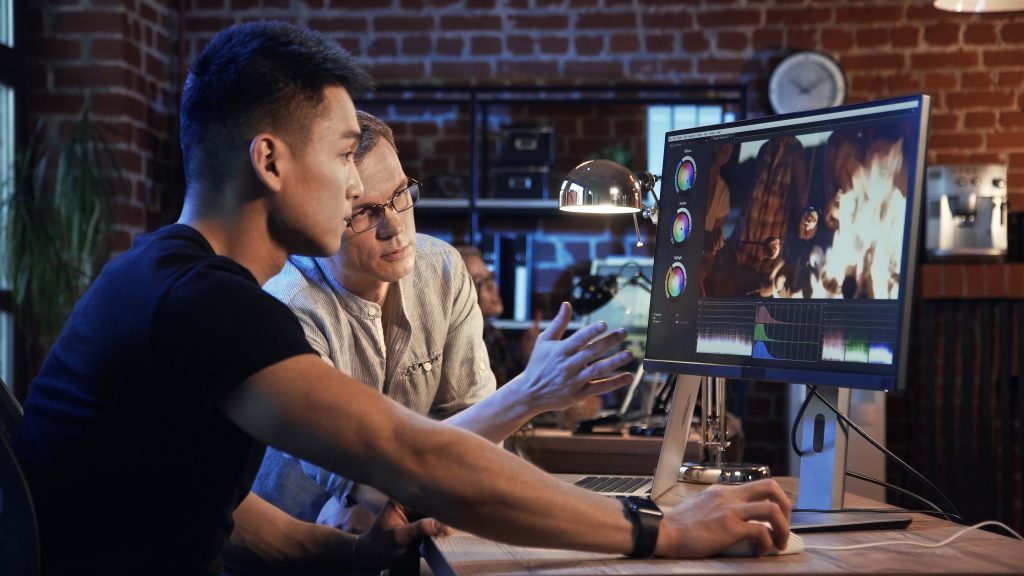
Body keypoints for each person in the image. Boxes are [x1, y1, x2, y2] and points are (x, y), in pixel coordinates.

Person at [13, 21, 792, 576]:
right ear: (270, 160)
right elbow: (414, 455)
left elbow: (217, 512)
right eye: (347, 153)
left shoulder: (154, 272)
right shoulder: (204, 301)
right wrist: (664, 532)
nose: (360, 187)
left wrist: (351, 556)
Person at [250, 110, 631, 536]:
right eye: (365, 212)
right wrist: (527, 393)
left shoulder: (442, 269)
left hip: (404, 536)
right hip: (298, 552)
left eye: (400, 196)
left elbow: (479, 443)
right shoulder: (283, 304)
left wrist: (398, 495)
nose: (394, 227)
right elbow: (365, 480)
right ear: (317, 211)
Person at [455, 244, 539, 387]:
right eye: (480, 282)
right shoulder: (461, 346)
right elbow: (508, 400)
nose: (493, 287)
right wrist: (532, 358)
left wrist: (527, 354)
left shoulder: (491, 333)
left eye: (491, 278)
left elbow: (513, 387)